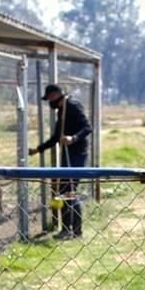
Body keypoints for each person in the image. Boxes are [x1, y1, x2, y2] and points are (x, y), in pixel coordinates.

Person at [29, 84, 92, 239]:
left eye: (50, 98)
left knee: (68, 191)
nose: (49, 101)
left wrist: (73, 138)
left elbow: (87, 127)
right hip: (67, 154)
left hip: (77, 154)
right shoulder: (61, 111)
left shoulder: (72, 106)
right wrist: (39, 149)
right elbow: (57, 137)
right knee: (65, 191)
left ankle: (74, 231)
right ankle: (68, 230)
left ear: (57, 94)